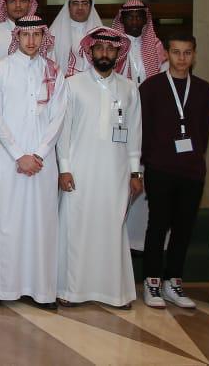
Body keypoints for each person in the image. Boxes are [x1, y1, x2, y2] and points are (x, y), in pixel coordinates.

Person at [0, 16, 67, 309]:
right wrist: (19, 155)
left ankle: (40, 291)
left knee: (41, 224)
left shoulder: (54, 71)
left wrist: (37, 154)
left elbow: (58, 118)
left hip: (42, 160)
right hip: (8, 158)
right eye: (25, 35)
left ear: (43, 38)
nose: (31, 41)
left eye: (36, 35)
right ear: (17, 37)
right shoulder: (0, 70)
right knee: (5, 221)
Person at [56, 28, 142, 308]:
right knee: (76, 229)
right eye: (99, 48)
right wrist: (64, 168)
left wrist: (134, 171)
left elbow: (134, 132)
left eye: (111, 49)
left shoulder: (129, 89)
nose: (105, 54)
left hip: (115, 173)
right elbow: (63, 132)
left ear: (119, 53)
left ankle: (114, 293)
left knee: (111, 229)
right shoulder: (73, 84)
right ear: (90, 51)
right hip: (79, 170)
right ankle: (71, 291)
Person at [138, 32, 209, 309]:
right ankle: (152, 281)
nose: (182, 58)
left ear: (194, 55)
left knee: (184, 227)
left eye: (187, 52)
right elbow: (142, 128)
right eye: (176, 52)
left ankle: (174, 281)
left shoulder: (204, 89)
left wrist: (193, 157)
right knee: (157, 225)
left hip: (192, 170)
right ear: (167, 54)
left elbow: (203, 131)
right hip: (160, 168)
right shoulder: (151, 87)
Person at [111, 0, 165, 250]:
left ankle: (142, 244)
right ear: (122, 19)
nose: (133, 21)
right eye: (129, 17)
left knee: (145, 181)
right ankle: (120, 242)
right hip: (119, 118)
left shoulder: (155, 46)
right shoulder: (112, 46)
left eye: (138, 16)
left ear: (146, 20)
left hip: (151, 118)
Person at [52, 0, 102, 75]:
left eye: (84, 3)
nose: (80, 8)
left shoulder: (100, 32)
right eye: (75, 3)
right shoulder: (54, 32)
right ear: (68, 6)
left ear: (90, 6)